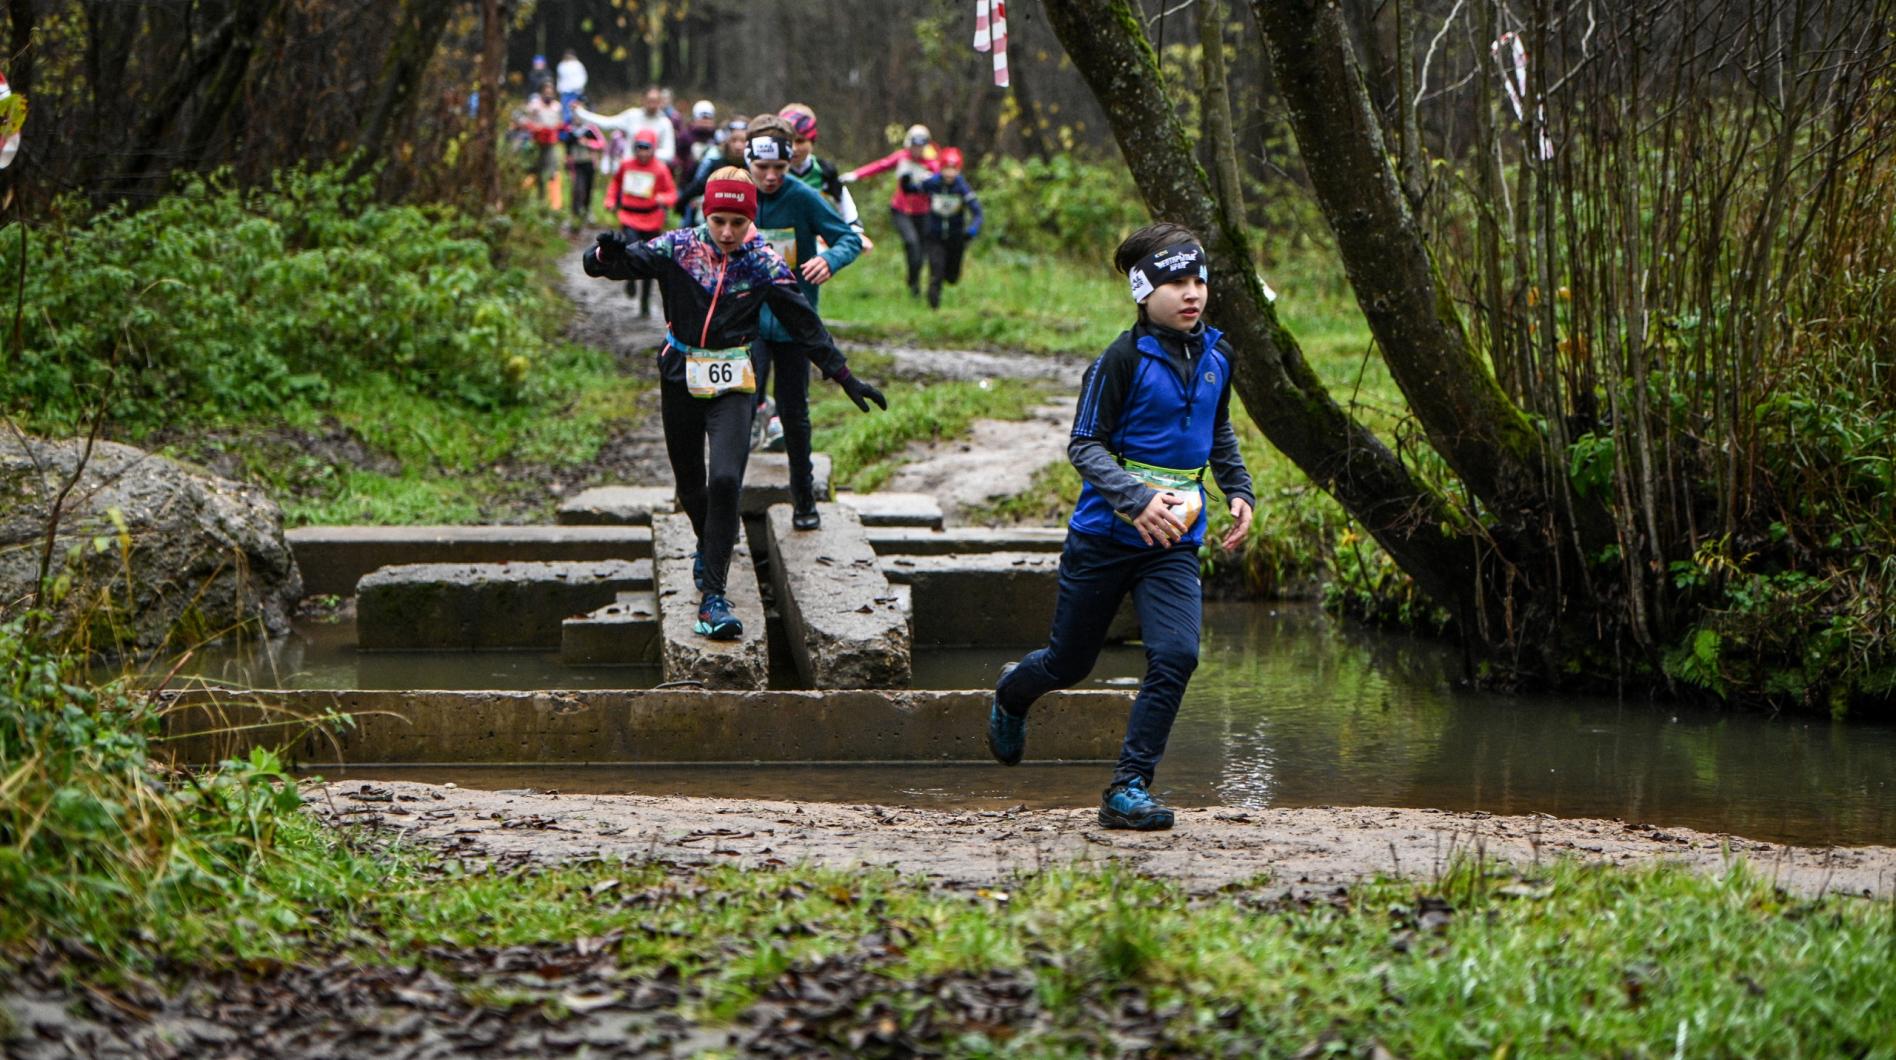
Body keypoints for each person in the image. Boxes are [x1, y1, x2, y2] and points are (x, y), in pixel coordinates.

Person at [985, 223, 1256, 831]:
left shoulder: (1220, 353)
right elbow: (1085, 445)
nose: (1192, 294)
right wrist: (1134, 501)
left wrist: (1238, 489)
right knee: (1069, 664)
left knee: (1178, 655)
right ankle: (1012, 694)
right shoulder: (1121, 360)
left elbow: (1217, 431)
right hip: (1105, 537)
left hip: (1174, 543)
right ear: (1142, 291)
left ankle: (1128, 786)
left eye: (1198, 281)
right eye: (1175, 283)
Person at [581, 169, 888, 640]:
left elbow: (805, 325)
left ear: (751, 222)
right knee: (691, 487)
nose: (727, 233)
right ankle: (710, 544)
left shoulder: (763, 263)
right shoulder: (677, 247)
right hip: (680, 375)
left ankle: (714, 599)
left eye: (738, 223)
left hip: (734, 383)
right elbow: (607, 266)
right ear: (707, 214)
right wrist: (602, 251)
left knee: (725, 478)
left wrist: (845, 376)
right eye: (719, 220)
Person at [743, 114, 864, 526]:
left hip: (795, 325)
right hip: (747, 323)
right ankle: (726, 501)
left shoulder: (801, 196)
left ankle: (804, 498)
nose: (772, 177)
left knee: (795, 413)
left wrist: (829, 260)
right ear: (748, 160)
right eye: (763, 169)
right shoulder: (734, 193)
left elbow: (849, 237)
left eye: (781, 167)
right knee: (739, 407)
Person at [842, 124, 938, 297]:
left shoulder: (931, 164)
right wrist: (857, 174)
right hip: (901, 210)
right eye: (915, 145)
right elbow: (880, 166)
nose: (918, 149)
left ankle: (914, 282)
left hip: (924, 212)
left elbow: (945, 178)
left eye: (921, 145)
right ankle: (913, 285)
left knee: (921, 252)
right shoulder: (902, 158)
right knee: (911, 242)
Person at [604, 129, 679, 317]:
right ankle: (629, 279)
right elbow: (615, 184)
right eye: (639, 148)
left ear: (653, 149)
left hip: (652, 220)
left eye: (647, 148)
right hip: (629, 217)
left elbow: (672, 193)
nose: (643, 152)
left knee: (650, 262)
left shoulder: (660, 169)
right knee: (630, 250)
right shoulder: (626, 165)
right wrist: (611, 201)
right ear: (634, 148)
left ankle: (644, 301)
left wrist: (664, 198)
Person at [777, 104, 868, 249]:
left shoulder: (823, 170)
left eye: (800, 141)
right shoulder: (772, 169)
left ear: (812, 141)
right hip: (779, 237)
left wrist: (855, 228)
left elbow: (841, 197)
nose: (794, 148)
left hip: (812, 238)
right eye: (789, 141)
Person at [903, 145, 982, 309]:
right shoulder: (934, 182)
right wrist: (906, 180)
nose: (949, 174)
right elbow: (912, 190)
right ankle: (934, 309)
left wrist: (972, 230)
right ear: (941, 168)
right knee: (935, 273)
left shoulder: (961, 187)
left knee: (952, 277)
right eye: (946, 169)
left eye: (953, 169)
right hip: (935, 236)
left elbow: (977, 212)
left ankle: (948, 277)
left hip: (956, 237)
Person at [576, 85, 677, 166]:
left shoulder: (665, 123)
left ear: (660, 102)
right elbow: (606, 123)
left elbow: (669, 153)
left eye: (655, 101)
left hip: (654, 172)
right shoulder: (632, 116)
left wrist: (647, 154)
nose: (652, 105)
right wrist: (580, 112)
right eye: (650, 101)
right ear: (643, 100)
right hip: (630, 169)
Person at [676, 118, 748, 225]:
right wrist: (681, 204)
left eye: (743, 141)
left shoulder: (753, 167)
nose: (738, 146)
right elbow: (698, 186)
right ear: (727, 141)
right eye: (734, 140)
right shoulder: (715, 164)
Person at [520, 82, 566, 202]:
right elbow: (524, 120)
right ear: (541, 93)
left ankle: (555, 205)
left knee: (553, 172)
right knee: (534, 172)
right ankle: (528, 199)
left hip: (551, 143)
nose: (548, 95)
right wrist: (535, 127)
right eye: (546, 92)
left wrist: (555, 128)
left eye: (551, 92)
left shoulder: (557, 107)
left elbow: (561, 123)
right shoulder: (534, 106)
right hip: (536, 143)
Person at [566, 121, 607, 228]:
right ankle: (575, 213)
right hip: (576, 165)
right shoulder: (570, 130)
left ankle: (587, 210)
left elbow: (602, 143)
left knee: (588, 187)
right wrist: (568, 163)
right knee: (577, 188)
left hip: (589, 163)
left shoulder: (590, 129)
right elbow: (567, 148)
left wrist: (588, 142)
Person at [684, 100, 720, 166]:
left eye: (708, 118)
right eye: (703, 118)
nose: (705, 121)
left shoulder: (717, 136)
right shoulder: (685, 137)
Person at [555, 50, 588, 122]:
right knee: (566, 110)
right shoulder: (561, 65)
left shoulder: (578, 65)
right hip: (565, 92)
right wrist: (559, 88)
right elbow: (560, 78)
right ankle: (567, 126)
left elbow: (583, 77)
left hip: (576, 92)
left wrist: (579, 87)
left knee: (577, 110)